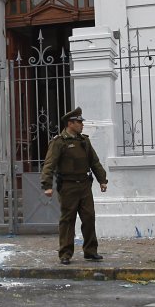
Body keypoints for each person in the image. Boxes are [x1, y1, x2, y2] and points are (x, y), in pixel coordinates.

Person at [40, 107, 108, 265]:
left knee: (89, 218)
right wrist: (47, 185)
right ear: (70, 123)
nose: (82, 125)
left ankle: (91, 251)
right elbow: (49, 164)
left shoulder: (84, 141)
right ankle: (65, 253)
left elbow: (94, 162)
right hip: (68, 187)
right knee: (67, 220)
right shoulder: (59, 142)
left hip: (84, 186)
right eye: (79, 122)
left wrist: (102, 180)